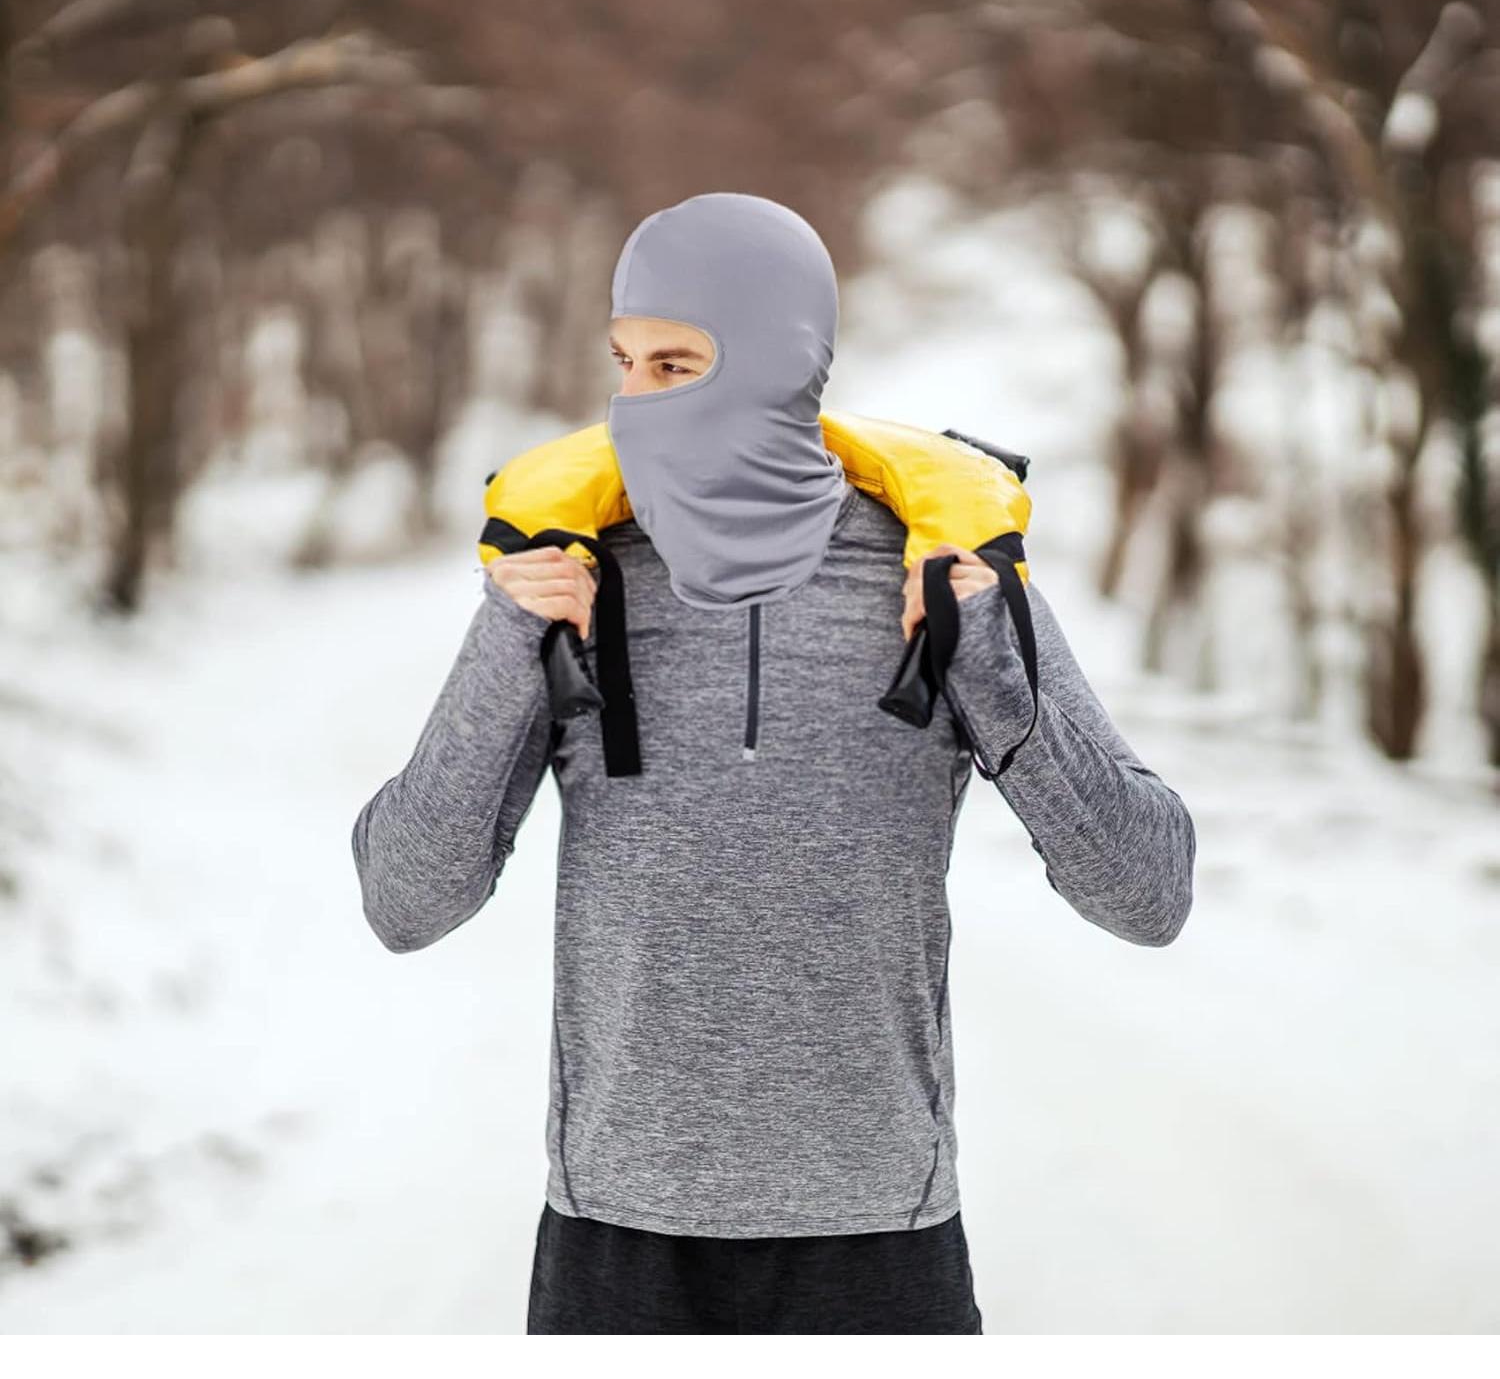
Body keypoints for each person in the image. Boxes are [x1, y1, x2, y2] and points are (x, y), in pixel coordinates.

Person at [351, 192, 1197, 1335]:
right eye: (625, 364)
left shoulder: (941, 572)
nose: (637, 405)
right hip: (615, 1247)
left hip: (880, 1246)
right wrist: (507, 639)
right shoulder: (570, 576)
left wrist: (989, 655)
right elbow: (405, 901)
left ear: (780, 359)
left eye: (677, 365)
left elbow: (1148, 892)